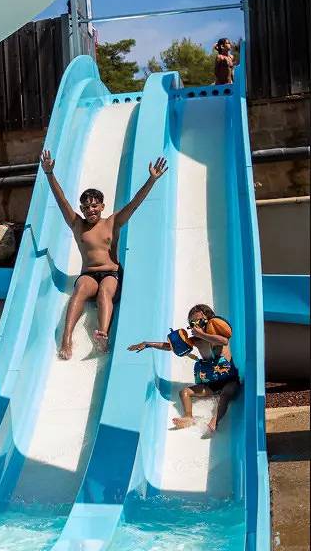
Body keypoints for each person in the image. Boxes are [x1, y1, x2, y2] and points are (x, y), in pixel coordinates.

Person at [40, 150, 168, 359]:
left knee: (104, 293)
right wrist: (49, 174)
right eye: (86, 207)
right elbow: (62, 201)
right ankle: (66, 338)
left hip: (112, 274)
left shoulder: (112, 222)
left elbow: (134, 203)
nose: (90, 210)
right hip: (88, 274)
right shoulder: (76, 224)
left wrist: (151, 180)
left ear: (102, 206)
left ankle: (102, 335)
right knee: (80, 290)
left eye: (94, 205)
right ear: (81, 208)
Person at [128, 303, 240, 433]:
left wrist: (202, 334)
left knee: (226, 395)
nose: (195, 326)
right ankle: (188, 417)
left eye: (197, 322)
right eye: (192, 324)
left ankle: (214, 421)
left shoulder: (216, 336)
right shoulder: (197, 341)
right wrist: (148, 344)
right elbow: (169, 346)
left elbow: (224, 341)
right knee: (184, 392)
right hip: (212, 384)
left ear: (207, 319)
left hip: (230, 380)